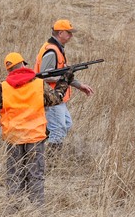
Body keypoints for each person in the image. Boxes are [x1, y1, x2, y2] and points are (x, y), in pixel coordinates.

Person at [0, 52, 72, 206]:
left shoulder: (4, 87)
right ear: (23, 64)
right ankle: (37, 210)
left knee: (14, 174)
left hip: (13, 137)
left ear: (9, 70)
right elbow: (55, 98)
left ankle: (14, 208)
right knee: (35, 174)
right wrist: (65, 80)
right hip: (34, 136)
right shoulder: (38, 84)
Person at [34, 19, 94, 154]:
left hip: (58, 97)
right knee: (58, 128)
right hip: (52, 97)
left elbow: (63, 73)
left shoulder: (58, 49)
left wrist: (79, 85)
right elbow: (42, 75)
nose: (71, 36)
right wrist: (63, 78)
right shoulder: (51, 51)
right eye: (69, 33)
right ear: (60, 33)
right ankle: (52, 161)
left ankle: (40, 149)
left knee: (66, 124)